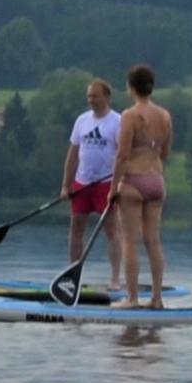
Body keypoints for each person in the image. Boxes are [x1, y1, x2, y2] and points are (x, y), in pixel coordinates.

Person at [110, 63, 172, 309]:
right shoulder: (165, 116)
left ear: (130, 86)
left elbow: (122, 155)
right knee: (153, 240)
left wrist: (113, 187)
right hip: (156, 180)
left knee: (129, 240)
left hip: (133, 181)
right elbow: (165, 151)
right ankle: (157, 298)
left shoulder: (129, 115)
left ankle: (132, 298)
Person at [62, 76, 120, 276]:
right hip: (82, 182)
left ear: (106, 96)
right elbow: (72, 154)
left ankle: (115, 278)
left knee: (112, 230)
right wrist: (66, 185)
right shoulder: (81, 120)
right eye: (88, 96)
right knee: (76, 228)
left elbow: (124, 156)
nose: (90, 100)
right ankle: (71, 273)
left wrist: (118, 185)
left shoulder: (117, 121)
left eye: (94, 96)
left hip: (106, 184)